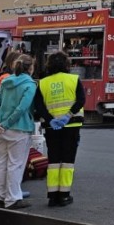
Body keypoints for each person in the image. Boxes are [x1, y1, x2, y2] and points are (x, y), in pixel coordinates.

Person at [34, 51, 86, 207]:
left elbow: (39, 106)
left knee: (54, 160)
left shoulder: (43, 83)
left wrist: (51, 119)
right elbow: (81, 100)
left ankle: (52, 196)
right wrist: (67, 116)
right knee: (68, 161)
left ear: (49, 65)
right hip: (71, 125)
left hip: (52, 127)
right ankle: (64, 195)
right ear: (66, 64)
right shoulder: (74, 79)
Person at [0, 54, 36, 210]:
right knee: (15, 165)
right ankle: (13, 199)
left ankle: (0, 196)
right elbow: (22, 108)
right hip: (19, 129)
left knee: (1, 163)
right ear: (30, 68)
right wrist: (7, 124)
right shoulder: (30, 85)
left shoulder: (5, 82)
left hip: (0, 130)